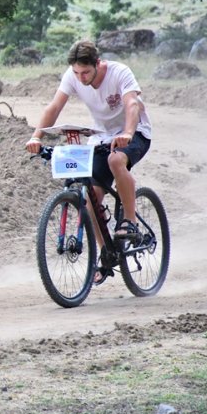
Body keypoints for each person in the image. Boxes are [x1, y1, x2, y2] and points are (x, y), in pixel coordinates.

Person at [24, 40, 152, 284]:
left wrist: (127, 132)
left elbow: (132, 104)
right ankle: (106, 253)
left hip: (135, 132)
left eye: (86, 72)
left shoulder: (119, 72)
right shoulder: (72, 77)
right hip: (102, 137)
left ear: (98, 63)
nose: (81, 78)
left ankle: (130, 220)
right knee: (91, 196)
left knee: (117, 161)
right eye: (76, 73)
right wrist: (36, 136)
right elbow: (54, 107)